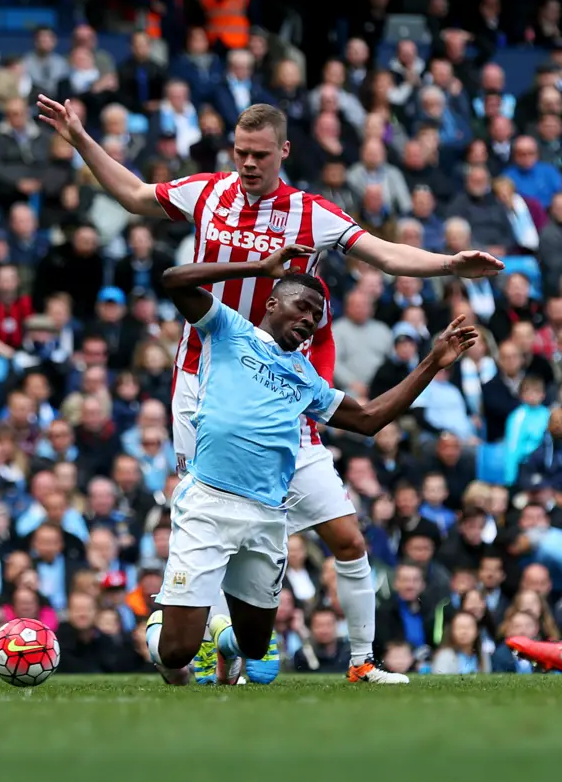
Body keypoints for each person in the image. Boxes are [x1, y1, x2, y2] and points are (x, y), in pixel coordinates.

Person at [37, 94, 500, 684]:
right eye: (240, 152)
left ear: (283, 150)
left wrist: (448, 263)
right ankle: (190, 636)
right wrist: (80, 137)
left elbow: (383, 255)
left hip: (283, 386)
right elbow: (132, 196)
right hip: (202, 381)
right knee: (209, 503)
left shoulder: (311, 214)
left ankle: (291, 647)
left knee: (339, 532)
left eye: (259, 154)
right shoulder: (208, 193)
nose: (248, 163)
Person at [141, 243, 477, 685]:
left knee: (256, 645)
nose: (308, 320)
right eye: (302, 307)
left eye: (316, 318)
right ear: (272, 302)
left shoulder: (306, 378)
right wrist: (257, 266)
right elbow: (172, 279)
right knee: (177, 652)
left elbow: (369, 418)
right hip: (208, 503)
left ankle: (221, 637)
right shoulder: (227, 329)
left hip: (266, 516)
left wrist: (432, 362)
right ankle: (160, 627)